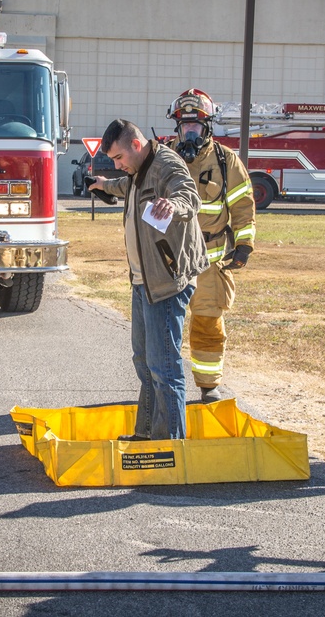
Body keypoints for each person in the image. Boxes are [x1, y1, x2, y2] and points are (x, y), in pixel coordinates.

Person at [87, 119, 208, 440]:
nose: (117, 165)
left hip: (166, 281)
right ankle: (146, 436)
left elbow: (189, 197)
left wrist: (174, 204)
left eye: (118, 159)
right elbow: (129, 187)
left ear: (136, 146)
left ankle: (169, 447)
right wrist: (104, 183)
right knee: (144, 362)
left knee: (165, 367)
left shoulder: (167, 165)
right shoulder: (136, 170)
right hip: (143, 281)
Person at [166, 89, 256, 402]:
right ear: (178, 127)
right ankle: (162, 388)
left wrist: (244, 245)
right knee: (163, 327)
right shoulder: (163, 156)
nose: (190, 132)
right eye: (185, 126)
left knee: (207, 323)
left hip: (208, 262)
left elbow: (243, 205)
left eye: (197, 126)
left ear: (208, 127)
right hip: (169, 261)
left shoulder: (225, 161)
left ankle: (208, 386)